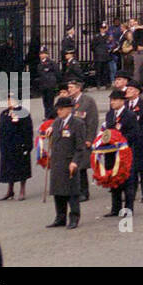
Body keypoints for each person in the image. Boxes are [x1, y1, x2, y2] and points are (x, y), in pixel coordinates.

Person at [46, 96, 89, 230]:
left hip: (69, 161)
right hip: (57, 161)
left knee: (71, 192)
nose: (58, 111)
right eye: (58, 109)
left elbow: (80, 146)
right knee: (58, 191)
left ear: (69, 109)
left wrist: (75, 162)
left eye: (61, 109)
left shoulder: (78, 124)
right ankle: (60, 217)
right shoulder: (57, 122)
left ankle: (74, 217)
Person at [102, 88, 140, 217]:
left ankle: (128, 208)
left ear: (122, 101)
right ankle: (115, 208)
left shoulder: (130, 115)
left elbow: (134, 133)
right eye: (111, 100)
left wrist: (121, 140)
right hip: (111, 153)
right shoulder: (109, 115)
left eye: (115, 100)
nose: (112, 102)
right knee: (114, 181)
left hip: (125, 153)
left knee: (127, 181)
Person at [0, 94, 32, 202]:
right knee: (8, 169)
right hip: (8, 146)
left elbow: (28, 130)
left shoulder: (23, 113)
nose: (9, 102)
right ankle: (10, 190)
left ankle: (22, 190)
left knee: (21, 168)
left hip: (19, 145)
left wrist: (27, 146)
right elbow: (2, 131)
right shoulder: (4, 113)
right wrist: (1, 146)